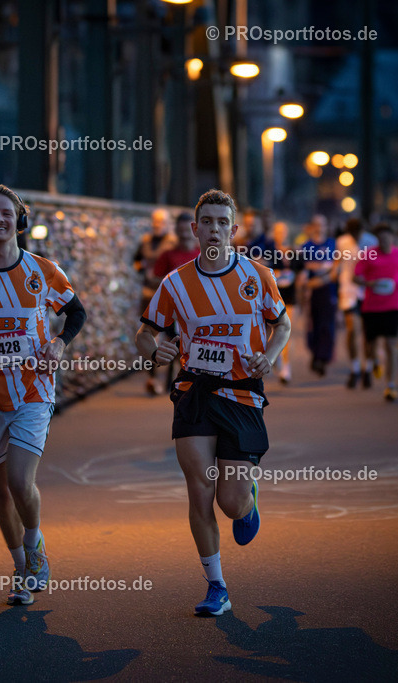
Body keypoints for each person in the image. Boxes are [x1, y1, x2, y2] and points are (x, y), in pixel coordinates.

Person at [136, 189, 291, 617]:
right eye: (207, 221)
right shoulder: (175, 283)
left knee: (230, 503)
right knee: (200, 492)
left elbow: (283, 324)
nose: (214, 229)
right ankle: (216, 585)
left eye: (223, 222)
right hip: (195, 394)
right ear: (195, 229)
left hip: (242, 395)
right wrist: (154, 350)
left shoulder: (257, 276)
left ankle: (249, 499)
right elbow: (146, 332)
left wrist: (271, 357)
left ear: (234, 230)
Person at [0, 185, 87, 606]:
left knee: (19, 480)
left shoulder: (42, 270)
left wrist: (59, 344)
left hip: (33, 391)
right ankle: (21, 569)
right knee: (1, 492)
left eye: (7, 214)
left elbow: (76, 312)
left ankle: (35, 548)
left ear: (19, 221)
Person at [354, 224, 398, 401]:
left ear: (393, 239)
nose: (385, 241)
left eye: (388, 237)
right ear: (378, 239)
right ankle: (375, 361)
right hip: (371, 306)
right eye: (381, 238)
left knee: (391, 344)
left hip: (393, 305)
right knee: (370, 345)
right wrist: (370, 284)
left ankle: (391, 385)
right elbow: (355, 277)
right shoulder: (369, 254)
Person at [153, 211, 200, 393]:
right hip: (172, 310)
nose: (184, 234)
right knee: (171, 342)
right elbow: (156, 279)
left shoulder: (201, 255)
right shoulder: (167, 255)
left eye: (187, 229)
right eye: (180, 230)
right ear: (176, 231)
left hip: (196, 310)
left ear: (194, 230)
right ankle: (166, 382)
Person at [133, 208, 177, 394]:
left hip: (168, 295)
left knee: (171, 336)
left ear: (168, 223)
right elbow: (136, 261)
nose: (157, 225)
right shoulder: (145, 241)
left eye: (161, 221)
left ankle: (169, 379)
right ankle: (153, 378)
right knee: (150, 335)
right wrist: (142, 268)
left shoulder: (173, 243)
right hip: (149, 293)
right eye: (155, 221)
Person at [336, 218, 379, 388]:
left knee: (368, 332)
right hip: (348, 290)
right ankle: (354, 368)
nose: (356, 236)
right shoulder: (342, 242)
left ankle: (367, 367)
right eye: (353, 233)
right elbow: (338, 263)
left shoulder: (371, 242)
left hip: (367, 290)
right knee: (352, 329)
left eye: (358, 232)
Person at [296, 215, 337, 377]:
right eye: (317, 225)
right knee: (313, 324)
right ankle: (315, 353)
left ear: (326, 226)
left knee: (327, 325)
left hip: (328, 291)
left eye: (322, 224)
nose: (319, 228)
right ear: (312, 226)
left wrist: (321, 280)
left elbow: (335, 269)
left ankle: (322, 358)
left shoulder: (333, 245)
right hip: (311, 293)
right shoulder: (306, 246)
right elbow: (302, 271)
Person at [262, 221, 298, 384]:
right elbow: (262, 269)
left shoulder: (294, 252)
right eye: (277, 231)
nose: (281, 234)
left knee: (287, 331)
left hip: (290, 297)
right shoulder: (268, 251)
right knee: (269, 332)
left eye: (283, 231)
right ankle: (275, 359)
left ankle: (286, 367)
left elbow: (301, 273)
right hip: (271, 297)